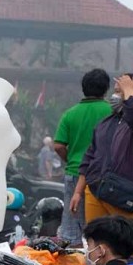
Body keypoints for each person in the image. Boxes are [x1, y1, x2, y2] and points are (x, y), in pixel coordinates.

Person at [72, 74, 133, 225]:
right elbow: (89, 157)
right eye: (115, 91)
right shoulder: (105, 123)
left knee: (131, 243)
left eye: (120, 92)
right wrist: (78, 192)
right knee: (97, 243)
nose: (114, 96)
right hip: (96, 191)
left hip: (127, 195)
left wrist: (129, 95)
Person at [54, 69, 112, 247]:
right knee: (103, 228)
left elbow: (58, 145)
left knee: (73, 229)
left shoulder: (70, 114)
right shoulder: (112, 112)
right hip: (105, 175)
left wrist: (70, 159)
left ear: (83, 88)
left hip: (75, 172)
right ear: (106, 89)